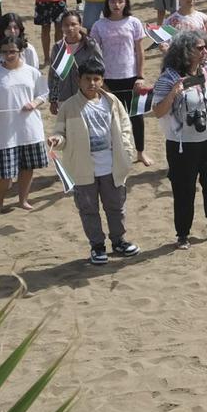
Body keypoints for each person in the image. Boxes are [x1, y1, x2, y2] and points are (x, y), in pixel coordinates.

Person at [49, 54, 140, 265]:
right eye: (87, 78)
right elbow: (61, 133)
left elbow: (125, 128)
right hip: (83, 168)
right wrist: (57, 139)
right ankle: (97, 246)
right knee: (89, 210)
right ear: (79, 80)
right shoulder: (69, 106)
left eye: (96, 79)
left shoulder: (112, 101)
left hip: (112, 166)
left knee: (116, 206)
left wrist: (127, 151)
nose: (92, 83)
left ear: (102, 80)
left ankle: (119, 241)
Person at [150, 31, 207, 249]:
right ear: (185, 50)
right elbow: (158, 111)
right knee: (184, 189)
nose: (205, 51)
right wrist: (174, 92)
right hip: (182, 144)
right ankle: (183, 235)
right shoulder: (169, 77)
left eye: (205, 46)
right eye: (199, 47)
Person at [0, 29, 45, 214]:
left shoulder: (32, 72)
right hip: (4, 131)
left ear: (20, 51)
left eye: (12, 51)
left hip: (29, 128)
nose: (8, 55)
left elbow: (43, 93)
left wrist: (35, 102)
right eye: (5, 51)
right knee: (3, 174)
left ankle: (23, 200)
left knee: (27, 167)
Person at [91, 0, 152, 166]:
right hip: (108, 77)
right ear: (107, 3)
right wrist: (99, 80)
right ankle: (115, 152)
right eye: (113, 1)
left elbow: (140, 52)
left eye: (120, 1)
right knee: (112, 117)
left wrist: (140, 76)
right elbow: (95, 54)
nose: (116, 5)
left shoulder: (133, 22)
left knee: (136, 116)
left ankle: (140, 152)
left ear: (125, 3)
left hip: (131, 76)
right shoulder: (99, 25)